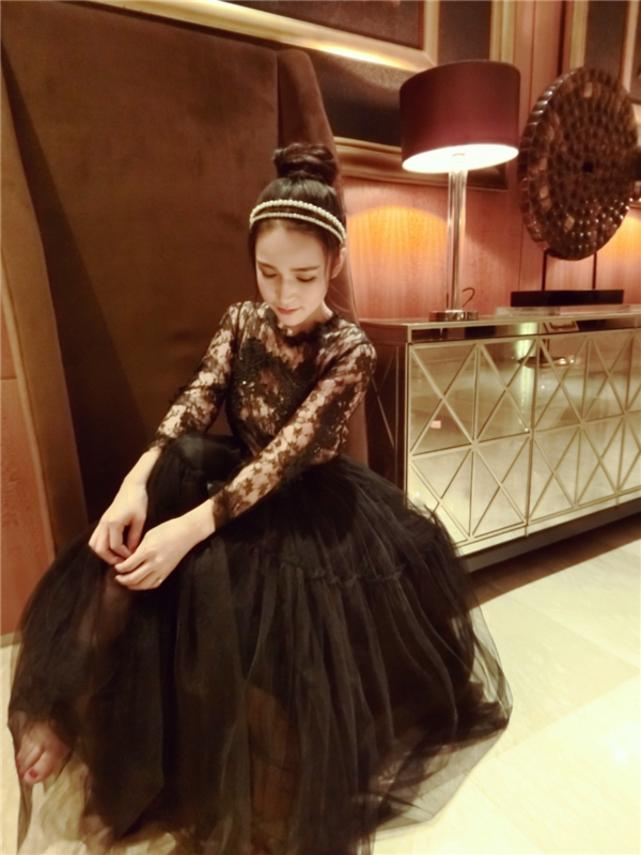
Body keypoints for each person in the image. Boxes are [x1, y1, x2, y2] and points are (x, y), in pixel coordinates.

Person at [7, 142, 513, 855]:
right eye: (267, 272)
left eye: (303, 276)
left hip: (307, 505)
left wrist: (185, 530)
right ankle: (67, 706)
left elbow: (281, 461)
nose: (284, 293)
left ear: (334, 264)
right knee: (158, 499)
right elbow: (198, 397)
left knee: (262, 636)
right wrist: (135, 479)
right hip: (229, 478)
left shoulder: (349, 349)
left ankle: (244, 770)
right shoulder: (242, 320)